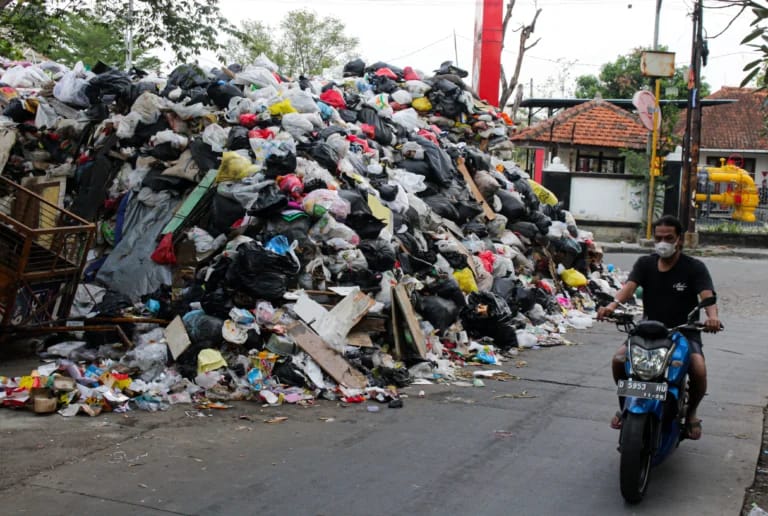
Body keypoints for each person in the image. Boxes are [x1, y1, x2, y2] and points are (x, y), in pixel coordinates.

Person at [597, 215, 721, 440]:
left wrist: (712, 318)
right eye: (659, 237)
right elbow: (629, 288)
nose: (663, 242)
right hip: (649, 330)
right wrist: (612, 306)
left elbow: (707, 297)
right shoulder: (645, 264)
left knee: (699, 368)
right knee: (618, 360)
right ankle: (626, 405)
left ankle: (691, 413)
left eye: (668, 237)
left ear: (679, 240)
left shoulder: (694, 267)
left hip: (684, 331)